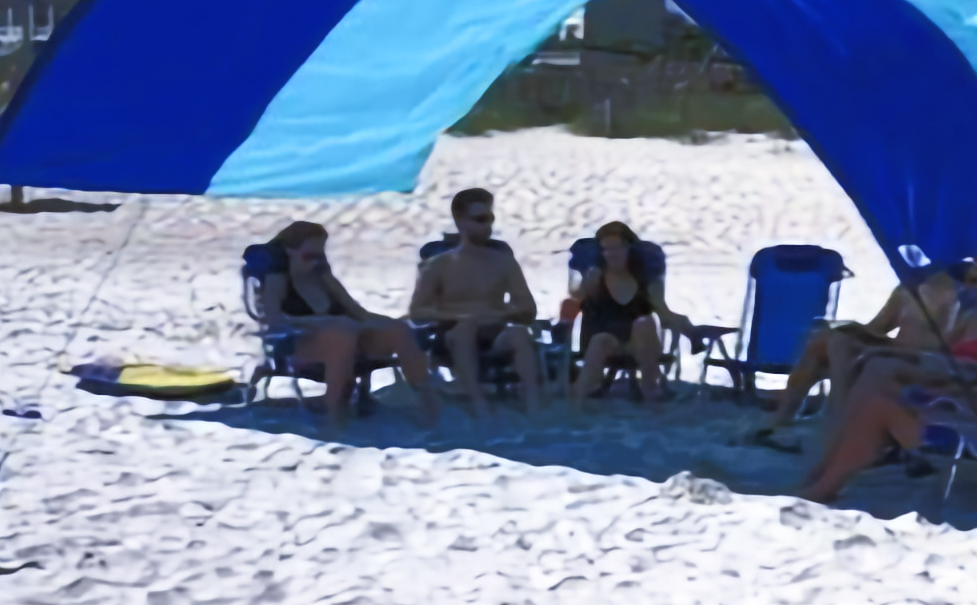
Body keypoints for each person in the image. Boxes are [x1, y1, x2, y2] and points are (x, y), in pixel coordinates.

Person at [795, 256, 977, 505]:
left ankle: (825, 485)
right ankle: (827, 473)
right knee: (879, 393)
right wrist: (952, 392)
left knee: (878, 407)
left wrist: (957, 402)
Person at [257, 220, 442, 437]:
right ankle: (335, 415)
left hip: (348, 334)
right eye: (309, 256)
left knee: (398, 331)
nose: (316, 262)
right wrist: (320, 322)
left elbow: (358, 313)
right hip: (300, 343)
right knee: (341, 336)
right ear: (289, 251)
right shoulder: (278, 279)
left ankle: (428, 404)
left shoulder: (322, 276)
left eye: (321, 256)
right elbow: (274, 319)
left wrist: (393, 322)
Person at [405, 186, 546, 416]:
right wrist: (460, 317)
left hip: (495, 330)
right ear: (460, 221)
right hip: (453, 334)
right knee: (464, 331)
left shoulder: (504, 261)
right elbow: (417, 311)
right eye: (479, 219)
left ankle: (533, 405)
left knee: (519, 335)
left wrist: (502, 315)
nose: (487, 226)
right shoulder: (439, 265)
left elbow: (528, 309)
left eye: (489, 219)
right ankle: (479, 403)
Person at [565, 220, 693, 405]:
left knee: (644, 323)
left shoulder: (646, 280)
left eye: (616, 248)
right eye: (606, 249)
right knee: (602, 340)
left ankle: (650, 394)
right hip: (603, 338)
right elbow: (574, 300)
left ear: (629, 249)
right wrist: (586, 286)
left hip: (639, 342)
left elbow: (662, 311)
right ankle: (578, 402)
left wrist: (684, 326)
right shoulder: (595, 278)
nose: (611, 254)